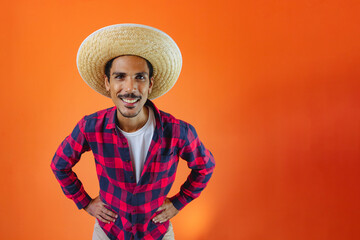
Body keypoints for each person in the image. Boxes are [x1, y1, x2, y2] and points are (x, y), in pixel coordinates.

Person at [51, 24, 215, 240]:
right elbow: (59, 165)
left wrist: (179, 202)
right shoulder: (90, 127)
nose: (130, 88)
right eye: (120, 76)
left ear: (150, 84)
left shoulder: (178, 131)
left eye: (139, 77)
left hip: (156, 233)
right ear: (107, 83)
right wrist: (85, 203)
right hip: (108, 233)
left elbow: (205, 167)